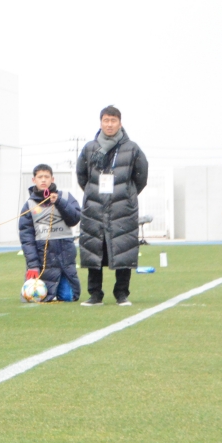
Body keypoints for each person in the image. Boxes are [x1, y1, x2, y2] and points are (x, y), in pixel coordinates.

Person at [76, 106, 147, 306]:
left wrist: (127, 195)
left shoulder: (132, 148)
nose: (109, 124)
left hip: (122, 209)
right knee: (94, 249)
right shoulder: (90, 148)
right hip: (95, 207)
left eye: (113, 121)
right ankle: (95, 295)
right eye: (106, 120)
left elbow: (141, 176)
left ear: (120, 123)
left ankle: (121, 294)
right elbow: (82, 176)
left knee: (123, 249)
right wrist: (94, 194)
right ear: (100, 123)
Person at [20, 164, 82, 302]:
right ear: (34, 180)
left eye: (46, 177)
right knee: (38, 298)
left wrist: (59, 201)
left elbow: (75, 218)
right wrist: (32, 265)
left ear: (52, 179)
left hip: (65, 256)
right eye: (40, 177)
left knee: (68, 297)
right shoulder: (29, 205)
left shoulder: (65, 197)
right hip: (43, 259)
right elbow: (26, 238)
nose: (43, 180)